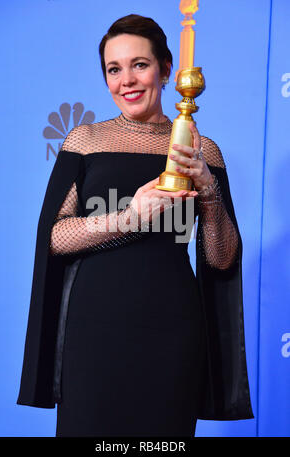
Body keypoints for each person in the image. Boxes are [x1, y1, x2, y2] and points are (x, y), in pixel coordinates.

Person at [17, 14, 253, 437]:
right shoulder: (85, 141)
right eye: (114, 69)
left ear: (166, 70)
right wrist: (129, 217)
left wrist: (209, 189)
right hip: (93, 329)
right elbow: (53, 237)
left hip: (174, 330)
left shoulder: (202, 150)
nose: (126, 80)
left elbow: (221, 259)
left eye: (139, 65)